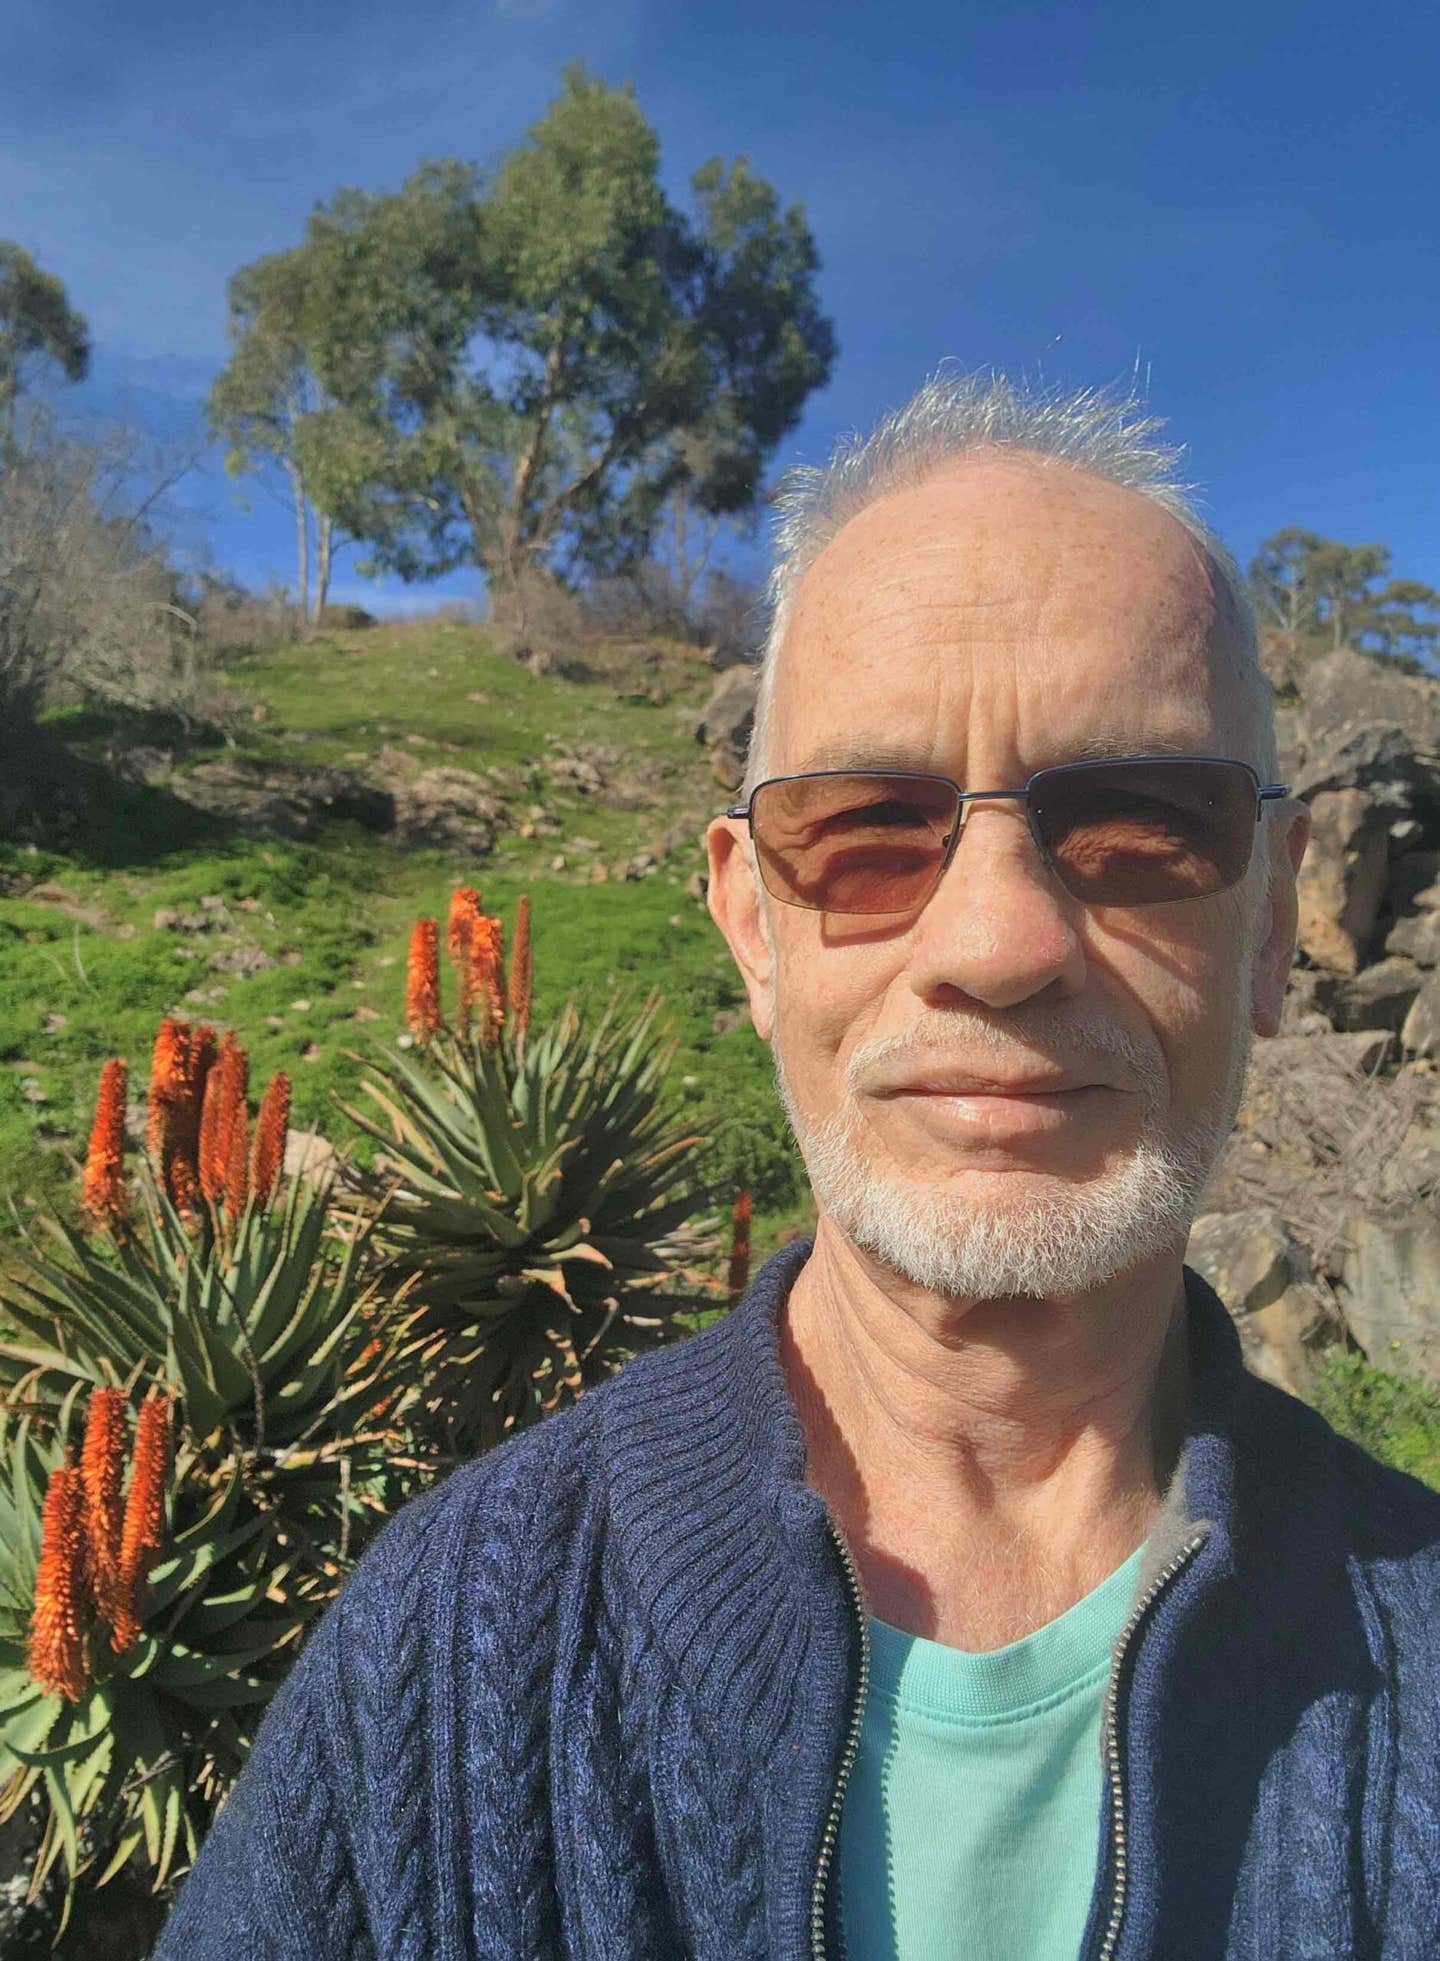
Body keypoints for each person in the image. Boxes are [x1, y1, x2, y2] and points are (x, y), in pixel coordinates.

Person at [154, 373, 1440, 1960]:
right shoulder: (448, 1654)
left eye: (1135, 824)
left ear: (1273, 920)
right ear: (751, 921)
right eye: (868, 832)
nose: (997, 944)